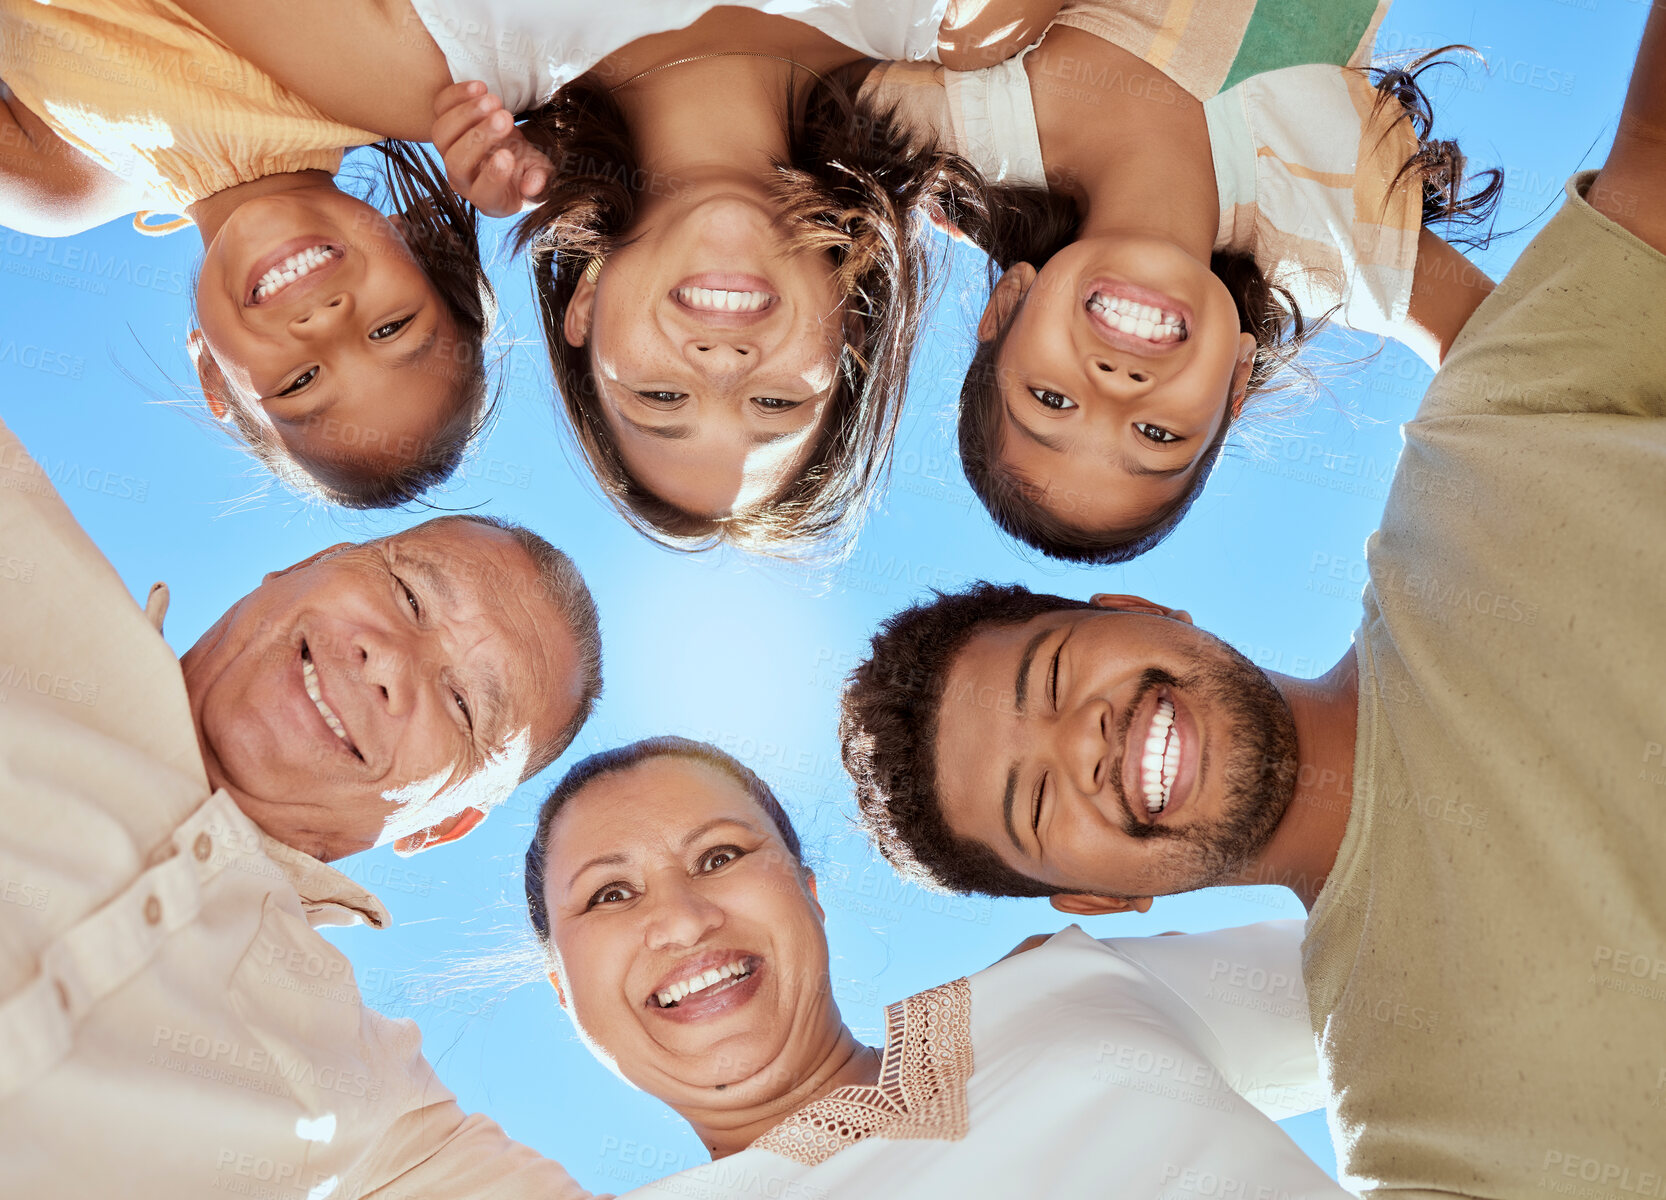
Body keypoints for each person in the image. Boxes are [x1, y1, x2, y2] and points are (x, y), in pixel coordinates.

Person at [838, 6, 1666, 1192]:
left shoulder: (1486, 446)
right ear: (1096, 900)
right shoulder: (1414, 1112)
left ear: (1144, 615)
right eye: (1035, 801)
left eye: (1057, 681)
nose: (1089, 741)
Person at [172, 1, 1058, 558]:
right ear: (851, 325)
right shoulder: (975, 18)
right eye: (775, 405)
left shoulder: (426, 64)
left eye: (661, 400)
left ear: (587, 308)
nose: (721, 363)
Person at [0, 412, 604, 1196]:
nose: (388, 659)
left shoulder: (381, 1116)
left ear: (441, 826)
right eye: (407, 592)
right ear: (304, 563)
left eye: (461, 706)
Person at [523, 735, 1348, 1199]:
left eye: (720, 856)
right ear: (564, 994)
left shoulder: (1057, 989)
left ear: (809, 896)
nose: (679, 919)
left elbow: (1415, 984)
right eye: (608, 896)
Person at [867, 0, 1500, 564]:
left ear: (1006, 309)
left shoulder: (970, 125)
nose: (1119, 388)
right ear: (1237, 379)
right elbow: (1516, 354)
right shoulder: (1331, 247)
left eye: (1051, 401)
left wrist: (978, 33)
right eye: (1158, 435)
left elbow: (786, 86)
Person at [0, 0, 503, 509]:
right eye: (390, 329)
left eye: (300, 382)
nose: (326, 322)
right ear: (414, 242)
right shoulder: (388, 76)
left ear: (212, 373)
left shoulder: (54, 186)